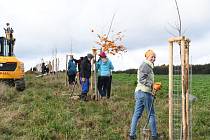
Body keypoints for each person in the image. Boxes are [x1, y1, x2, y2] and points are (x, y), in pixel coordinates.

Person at [129, 50, 158, 140]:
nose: (153, 58)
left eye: (154, 57)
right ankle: (154, 136)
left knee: (136, 114)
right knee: (151, 114)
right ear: (147, 57)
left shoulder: (148, 65)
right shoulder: (145, 65)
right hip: (144, 92)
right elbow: (142, 79)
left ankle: (132, 135)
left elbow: (145, 79)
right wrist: (152, 85)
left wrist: (153, 87)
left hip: (140, 92)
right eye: (151, 57)